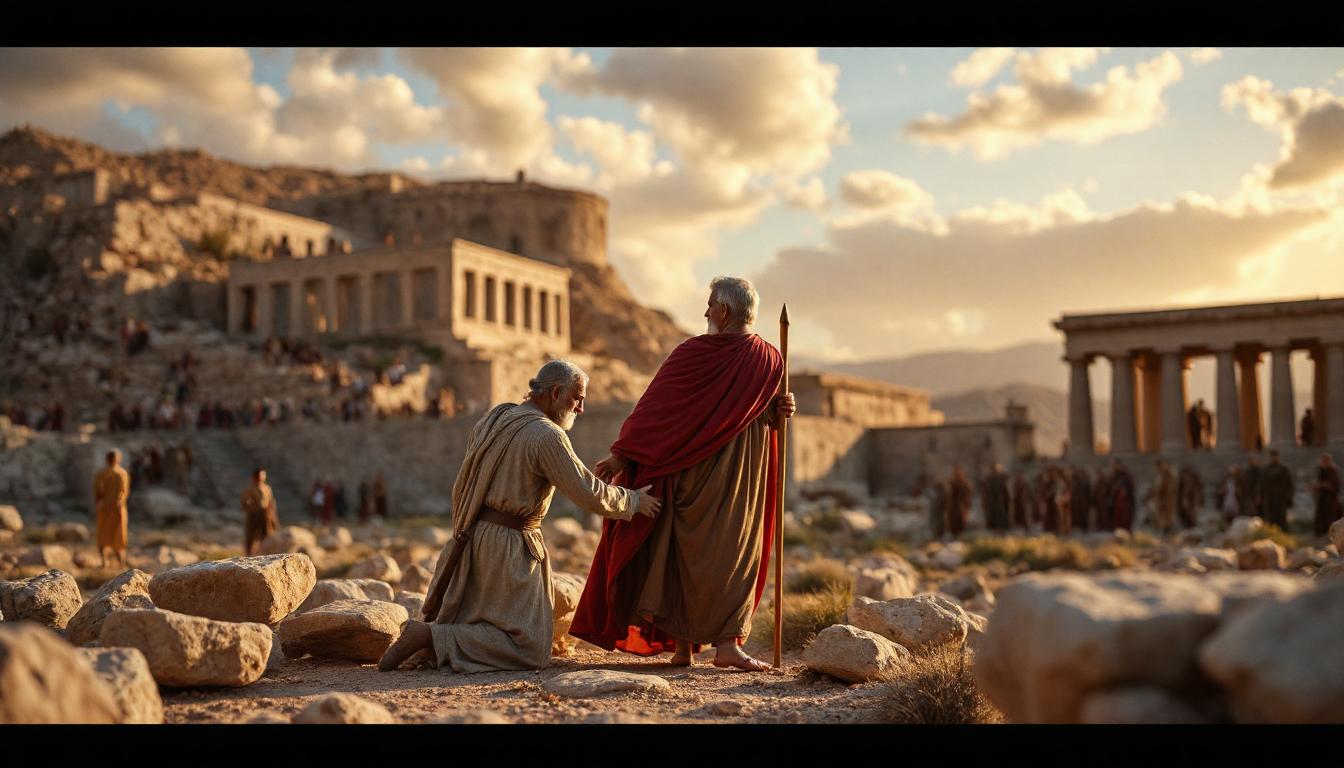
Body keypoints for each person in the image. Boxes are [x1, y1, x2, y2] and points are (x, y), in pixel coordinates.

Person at [570, 276, 795, 672]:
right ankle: (693, 647)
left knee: (699, 557)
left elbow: (655, 412)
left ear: (724, 311)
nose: (706, 312)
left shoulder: (711, 354)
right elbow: (662, 408)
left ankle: (712, 647)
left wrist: (782, 409)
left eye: (710, 305)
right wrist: (778, 415)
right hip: (731, 482)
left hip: (703, 474)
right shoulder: (769, 358)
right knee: (723, 556)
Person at [377, 360, 658, 674]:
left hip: (472, 539)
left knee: (478, 619)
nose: (580, 408)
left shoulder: (496, 416)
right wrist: (634, 500)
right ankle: (429, 635)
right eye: (577, 398)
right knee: (530, 647)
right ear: (555, 394)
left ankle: (432, 643)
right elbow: (587, 491)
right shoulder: (547, 435)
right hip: (510, 551)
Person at [93, 450, 130, 568]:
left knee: (103, 534)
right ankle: (121, 562)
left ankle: (105, 561)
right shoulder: (122, 473)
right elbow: (124, 492)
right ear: (118, 459)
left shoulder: (101, 474)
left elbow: (97, 492)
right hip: (117, 509)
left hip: (104, 508)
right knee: (119, 535)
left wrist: (100, 503)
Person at [242, 468, 279, 556]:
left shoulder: (267, 488)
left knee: (267, 535)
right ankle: (249, 555)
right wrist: (251, 507)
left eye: (263, 475)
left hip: (266, 515)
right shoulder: (250, 489)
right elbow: (244, 502)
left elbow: (271, 501)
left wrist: (273, 515)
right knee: (251, 536)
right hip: (254, 515)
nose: (261, 478)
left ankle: (265, 554)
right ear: (254, 477)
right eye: (259, 476)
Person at [1260, 450, 1294, 530]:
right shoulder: (1266, 470)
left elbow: (1289, 483)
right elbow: (1262, 484)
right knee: (1270, 516)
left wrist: (1289, 496)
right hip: (1269, 497)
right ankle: (1272, 532)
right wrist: (1259, 495)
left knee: (1281, 516)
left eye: (1275, 457)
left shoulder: (1283, 469)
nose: (1274, 459)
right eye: (1272, 457)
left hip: (1281, 497)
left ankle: (1283, 533)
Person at [1313, 453, 1341, 536]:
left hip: (1331, 499)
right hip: (1322, 498)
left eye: (1325, 461)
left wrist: (1325, 486)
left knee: (1331, 517)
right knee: (1320, 517)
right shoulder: (1321, 471)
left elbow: (1335, 485)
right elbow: (1319, 483)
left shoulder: (1333, 471)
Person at [982, 464, 1010, 532]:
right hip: (992, 500)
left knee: (1001, 515)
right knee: (993, 515)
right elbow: (986, 491)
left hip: (1000, 500)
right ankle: (995, 530)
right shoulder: (989, 479)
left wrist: (1007, 499)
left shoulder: (1002, 478)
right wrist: (985, 501)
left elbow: (1005, 490)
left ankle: (1001, 530)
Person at [1110, 459, 1136, 531]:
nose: (1114, 467)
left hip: (1125, 498)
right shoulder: (1115, 474)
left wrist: (1125, 491)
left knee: (1125, 516)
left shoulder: (1125, 474)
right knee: (1118, 516)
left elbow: (1129, 485)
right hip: (1117, 498)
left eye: (1115, 465)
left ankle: (1125, 530)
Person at [947, 465, 972, 538]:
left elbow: (968, 492)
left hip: (962, 504)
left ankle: (960, 535)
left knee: (961, 520)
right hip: (953, 505)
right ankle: (955, 535)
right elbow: (949, 494)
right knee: (953, 520)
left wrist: (967, 502)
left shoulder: (965, 483)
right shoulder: (952, 482)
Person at [1176, 465, 1202, 529]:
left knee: (1190, 515)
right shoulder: (1182, 483)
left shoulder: (1191, 482)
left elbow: (1194, 494)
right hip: (1185, 503)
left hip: (1191, 503)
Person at [1070, 467, 1093, 532]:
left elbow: (1088, 492)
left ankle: (1085, 527)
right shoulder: (1078, 481)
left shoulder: (1086, 481)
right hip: (1080, 500)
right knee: (1080, 514)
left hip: (1085, 500)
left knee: (1085, 514)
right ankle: (1081, 526)